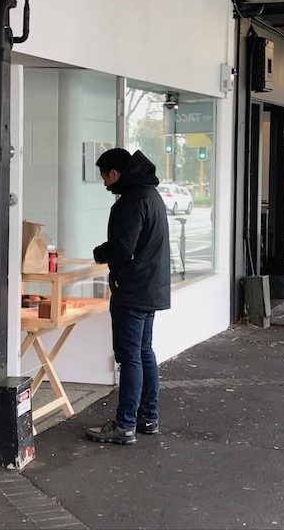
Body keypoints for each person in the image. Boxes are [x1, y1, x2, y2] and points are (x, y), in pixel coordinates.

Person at [85, 148, 171, 444]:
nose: (104, 183)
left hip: (133, 290)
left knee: (130, 357)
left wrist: (100, 253)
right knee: (144, 352)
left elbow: (122, 247)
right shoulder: (151, 195)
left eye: (104, 176)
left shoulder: (133, 202)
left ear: (116, 173)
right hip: (151, 287)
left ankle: (125, 425)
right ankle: (148, 417)